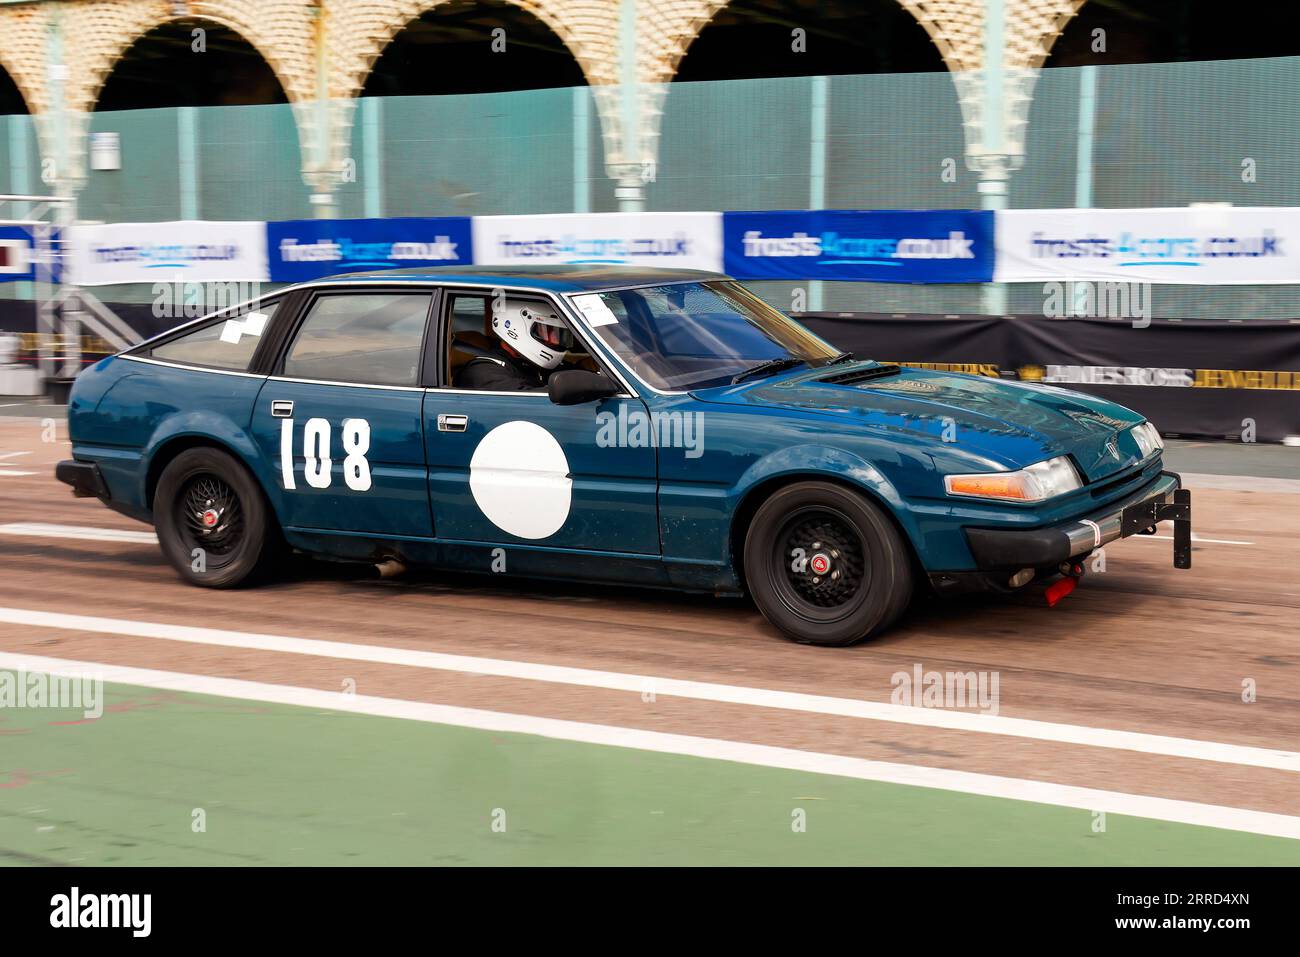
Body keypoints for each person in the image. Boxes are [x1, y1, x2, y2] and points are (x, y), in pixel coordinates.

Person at [454, 298, 575, 392]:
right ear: (514, 327)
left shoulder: (536, 364)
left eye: (558, 334)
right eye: (546, 331)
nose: (554, 341)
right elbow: (527, 402)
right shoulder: (482, 371)